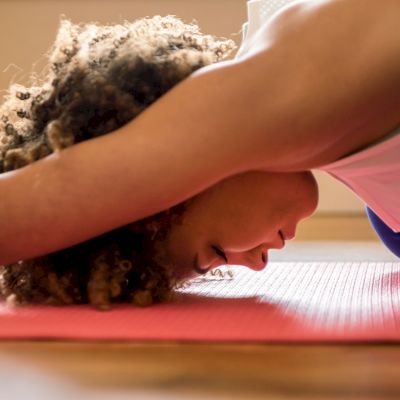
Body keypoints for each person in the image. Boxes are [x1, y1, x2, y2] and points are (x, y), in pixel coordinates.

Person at [0, 0, 399, 306]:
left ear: (176, 184)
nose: (258, 265)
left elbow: (39, 202)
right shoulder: (330, 127)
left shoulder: (286, 88)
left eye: (216, 253)